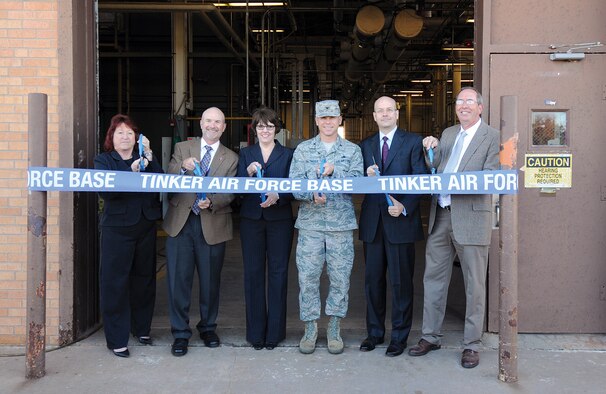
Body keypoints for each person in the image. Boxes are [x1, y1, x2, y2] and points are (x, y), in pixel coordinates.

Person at [408, 87, 500, 369]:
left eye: (469, 102)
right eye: (459, 102)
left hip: (471, 216)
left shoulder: (492, 137)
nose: (463, 106)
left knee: (474, 284)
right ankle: (430, 336)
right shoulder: (448, 134)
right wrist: (430, 151)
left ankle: (471, 344)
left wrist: (460, 182)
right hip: (441, 215)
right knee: (433, 279)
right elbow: (435, 167)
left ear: (480, 108)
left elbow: (493, 175)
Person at [162, 107, 238, 357]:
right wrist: (183, 168)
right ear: (201, 124)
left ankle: (207, 327)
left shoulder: (231, 158)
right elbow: (168, 178)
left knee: (210, 282)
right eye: (209, 121)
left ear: (224, 127)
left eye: (218, 122)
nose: (213, 125)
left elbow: (232, 191)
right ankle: (180, 333)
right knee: (178, 282)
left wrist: (214, 202)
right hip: (181, 223)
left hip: (212, 222)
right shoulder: (183, 149)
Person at [289, 99, 363, 355]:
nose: (328, 122)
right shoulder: (303, 150)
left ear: (340, 120)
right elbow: (294, 184)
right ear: (317, 121)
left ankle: (334, 328)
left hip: (340, 226)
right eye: (324, 118)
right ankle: (310, 329)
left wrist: (335, 173)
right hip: (310, 225)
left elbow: (358, 183)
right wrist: (311, 194)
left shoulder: (353, 151)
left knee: (340, 279)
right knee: (307, 278)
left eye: (333, 118)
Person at [358, 96, 427, 357]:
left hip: (401, 222)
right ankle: (374, 333)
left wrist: (405, 206)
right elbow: (356, 182)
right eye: (380, 111)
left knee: (401, 283)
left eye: (389, 110)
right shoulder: (365, 145)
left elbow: (421, 179)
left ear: (397, 114)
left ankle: (399, 337)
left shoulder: (412, 142)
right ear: (374, 116)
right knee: (373, 282)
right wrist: (366, 177)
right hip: (373, 224)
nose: (385, 114)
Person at [94, 114, 163, 358]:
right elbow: (106, 192)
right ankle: (116, 339)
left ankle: (141, 328)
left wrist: (149, 159)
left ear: (137, 138)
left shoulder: (145, 159)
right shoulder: (103, 161)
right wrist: (128, 170)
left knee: (144, 280)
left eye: (130, 133)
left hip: (145, 225)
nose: (125, 137)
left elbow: (159, 182)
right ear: (111, 138)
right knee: (115, 283)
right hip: (117, 229)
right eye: (120, 132)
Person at [237, 107, 294, 350]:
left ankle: (275, 333)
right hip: (251, 219)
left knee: (278, 275)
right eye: (261, 126)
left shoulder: (288, 154)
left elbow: (295, 187)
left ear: (276, 129)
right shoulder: (245, 154)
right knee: (253, 275)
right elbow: (237, 189)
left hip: (280, 220)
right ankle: (255, 333)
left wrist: (278, 195)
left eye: (270, 126)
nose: (265, 130)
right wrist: (249, 176)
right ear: (255, 129)